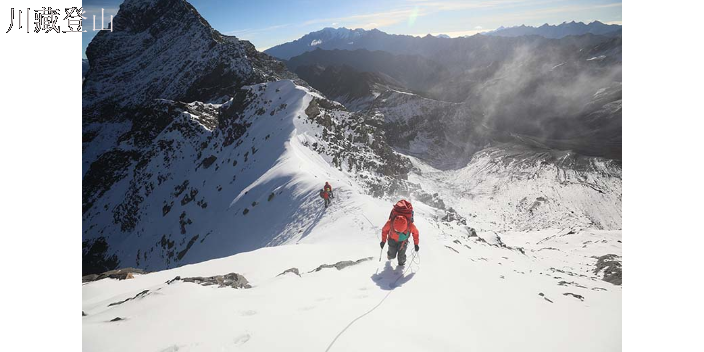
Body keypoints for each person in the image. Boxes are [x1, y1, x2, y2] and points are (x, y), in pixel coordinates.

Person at [380, 200, 419, 266]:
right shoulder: (390, 222)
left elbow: (416, 233)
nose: (398, 233)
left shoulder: (410, 225)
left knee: (401, 258)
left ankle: (401, 263)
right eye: (396, 231)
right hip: (392, 240)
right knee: (391, 256)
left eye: (400, 231)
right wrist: (383, 241)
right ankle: (390, 256)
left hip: (403, 242)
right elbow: (384, 230)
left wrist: (416, 244)